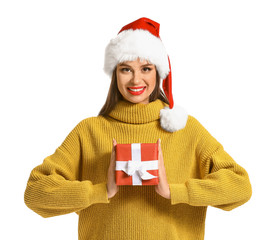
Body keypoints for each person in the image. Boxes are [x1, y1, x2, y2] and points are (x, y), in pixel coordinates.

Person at [24, 17, 252, 240]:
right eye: (126, 69)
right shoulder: (89, 132)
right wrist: (101, 191)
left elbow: (240, 186)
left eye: (145, 68)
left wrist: (174, 191)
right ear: (115, 73)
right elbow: (35, 193)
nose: (135, 80)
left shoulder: (185, 129)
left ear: (158, 72)